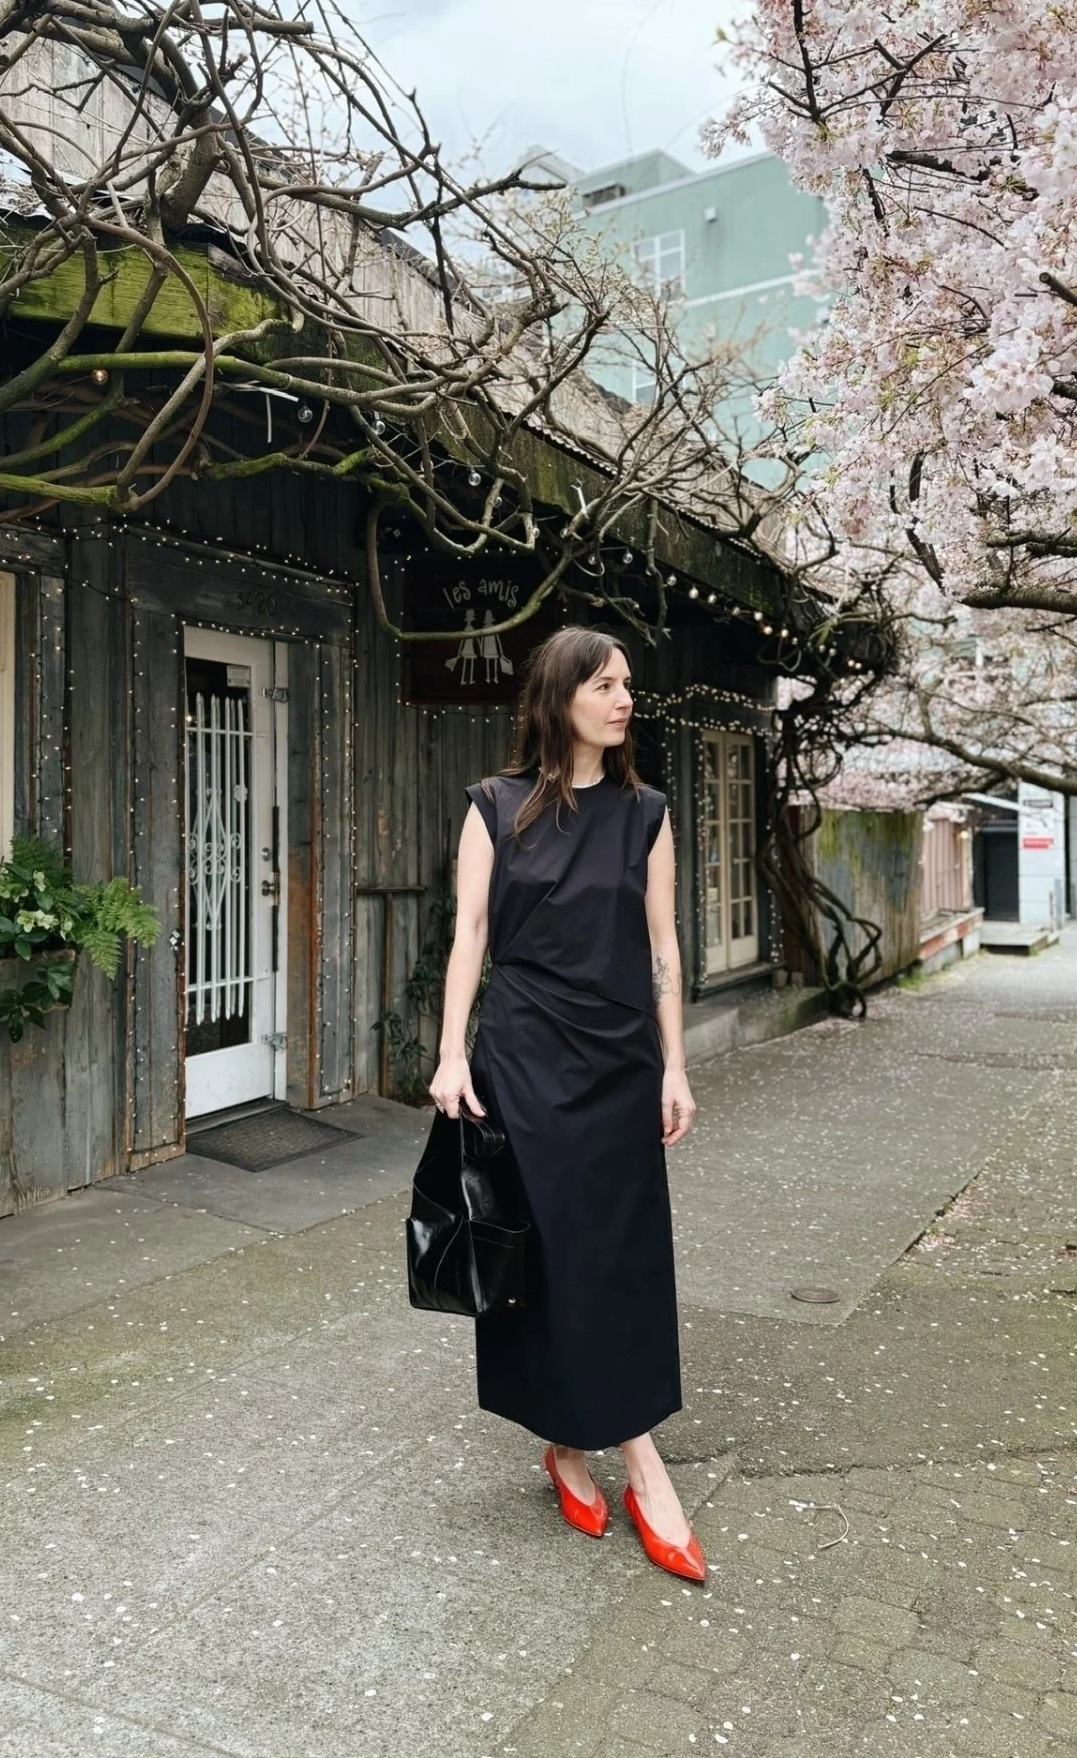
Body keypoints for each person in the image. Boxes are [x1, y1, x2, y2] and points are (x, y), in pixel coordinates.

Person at [428, 626, 704, 1583]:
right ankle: (629, 1462)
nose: (625, 698)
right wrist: (449, 1051)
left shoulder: (648, 812)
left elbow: (661, 944)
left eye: (629, 683)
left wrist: (675, 1064)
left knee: (617, 1255)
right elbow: (468, 933)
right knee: (545, 1256)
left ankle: (584, 1445)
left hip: (620, 1059)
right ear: (559, 696)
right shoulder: (492, 806)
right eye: (605, 683)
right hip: (523, 1055)